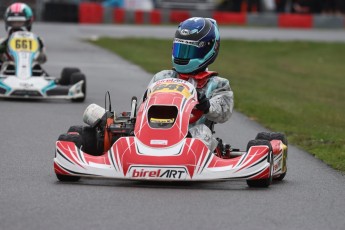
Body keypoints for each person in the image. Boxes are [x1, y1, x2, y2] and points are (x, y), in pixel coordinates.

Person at [142, 17, 234, 152]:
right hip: (156, 130)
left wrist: (207, 105)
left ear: (209, 49)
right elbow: (142, 110)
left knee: (202, 131)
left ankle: (186, 159)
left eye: (189, 51)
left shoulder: (217, 84)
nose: (183, 55)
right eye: (181, 49)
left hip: (191, 136)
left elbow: (223, 112)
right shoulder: (162, 77)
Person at [0, 2, 46, 69]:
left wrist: (38, 51)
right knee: (8, 65)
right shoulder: (2, 42)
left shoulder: (37, 40)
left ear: (28, 22)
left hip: (30, 70)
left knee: (36, 66)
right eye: (13, 23)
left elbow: (42, 60)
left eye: (19, 22)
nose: (16, 26)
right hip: (7, 72)